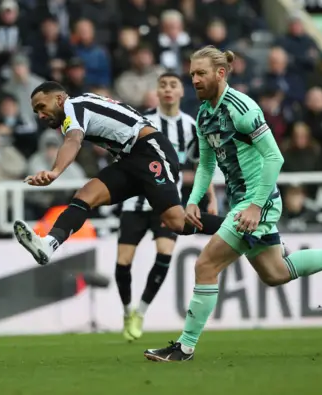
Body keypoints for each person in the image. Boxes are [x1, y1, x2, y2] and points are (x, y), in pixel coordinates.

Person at [143, 45, 322, 362]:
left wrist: (256, 206)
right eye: (191, 74)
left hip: (257, 202)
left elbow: (275, 157)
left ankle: (185, 347)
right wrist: (192, 200)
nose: (195, 80)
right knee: (275, 273)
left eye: (201, 73)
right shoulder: (204, 113)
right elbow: (205, 165)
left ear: (221, 73)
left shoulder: (241, 107)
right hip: (243, 203)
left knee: (205, 265)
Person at [13, 81, 221, 265]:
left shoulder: (72, 107)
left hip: (150, 151)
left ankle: (240, 227)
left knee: (176, 221)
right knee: (85, 195)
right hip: (131, 157)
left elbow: (73, 140)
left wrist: (56, 171)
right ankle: (49, 243)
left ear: (59, 99)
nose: (40, 115)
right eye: (36, 112)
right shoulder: (80, 104)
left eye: (42, 107)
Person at [117, 72, 221, 342]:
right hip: (135, 202)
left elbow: (200, 164)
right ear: (158, 91)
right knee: (123, 262)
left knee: (164, 252)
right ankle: (127, 310)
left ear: (181, 92)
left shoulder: (189, 125)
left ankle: (141, 311)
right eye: (162, 85)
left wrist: (208, 196)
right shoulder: (143, 121)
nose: (167, 89)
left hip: (167, 203)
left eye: (173, 85)